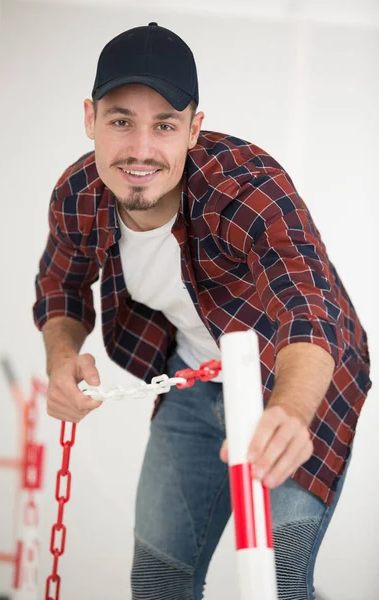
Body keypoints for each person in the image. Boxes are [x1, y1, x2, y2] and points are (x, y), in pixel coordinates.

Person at [33, 22, 371, 600]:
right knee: (160, 581)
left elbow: (308, 307)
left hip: (295, 379)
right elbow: (61, 288)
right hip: (193, 379)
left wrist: (290, 411)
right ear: (89, 119)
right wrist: (63, 355)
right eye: (121, 122)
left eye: (164, 125)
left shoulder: (246, 186)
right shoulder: (77, 194)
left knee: (280, 579)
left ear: (194, 128)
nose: (141, 150)